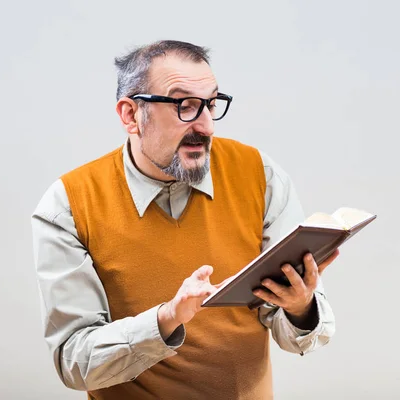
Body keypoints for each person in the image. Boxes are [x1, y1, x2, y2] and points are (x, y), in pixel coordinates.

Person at [31, 40, 339, 400]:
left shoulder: (261, 174)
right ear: (131, 115)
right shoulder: (68, 204)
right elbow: (74, 362)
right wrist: (165, 320)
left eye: (210, 104)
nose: (206, 126)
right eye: (185, 106)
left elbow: (297, 336)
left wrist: (300, 307)